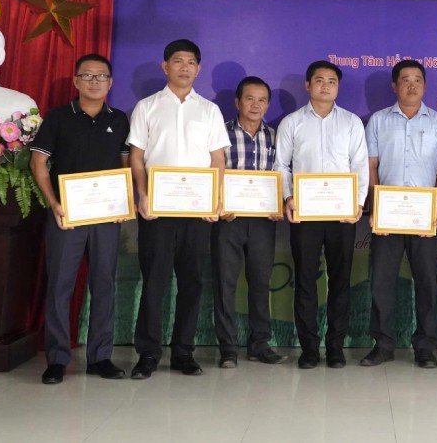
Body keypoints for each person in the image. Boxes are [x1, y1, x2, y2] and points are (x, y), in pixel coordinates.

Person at [128, 39, 230, 379]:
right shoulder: (147, 106)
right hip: (156, 210)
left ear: (198, 69)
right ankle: (148, 353)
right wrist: (142, 194)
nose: (184, 67)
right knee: (154, 280)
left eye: (190, 62)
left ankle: (183, 352)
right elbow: (137, 157)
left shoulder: (209, 110)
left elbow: (218, 159)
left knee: (192, 282)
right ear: (165, 66)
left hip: (197, 212)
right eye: (177, 61)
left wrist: (216, 197)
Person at [29, 53, 130, 385]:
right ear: (75, 81)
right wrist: (54, 203)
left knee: (103, 283)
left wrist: (123, 202)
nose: (94, 82)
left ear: (110, 83)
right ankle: (57, 359)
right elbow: (38, 164)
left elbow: (127, 165)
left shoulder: (121, 119)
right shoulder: (58, 118)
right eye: (87, 76)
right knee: (60, 284)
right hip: (66, 216)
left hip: (106, 217)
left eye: (101, 77)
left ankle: (100, 357)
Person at [274, 60, 368, 369]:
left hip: (342, 215)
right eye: (319, 80)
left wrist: (358, 203)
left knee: (340, 281)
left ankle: (336, 346)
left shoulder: (352, 122)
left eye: (331, 81)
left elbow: (360, 166)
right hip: (305, 214)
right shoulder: (292, 122)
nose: (325, 85)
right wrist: (288, 197)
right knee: (305, 281)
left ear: (338, 87)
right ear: (307, 85)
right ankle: (310, 349)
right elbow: (282, 166)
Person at [361, 60, 437, 369]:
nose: (411, 85)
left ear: (424, 86)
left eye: (417, 80)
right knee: (381, 282)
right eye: (405, 80)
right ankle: (383, 344)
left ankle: (425, 346)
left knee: (427, 282)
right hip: (386, 217)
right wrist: (374, 209)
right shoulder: (378, 121)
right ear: (394, 86)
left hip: (425, 217)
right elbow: (370, 168)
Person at [212, 76, 286, 368]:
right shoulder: (219, 134)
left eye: (262, 100)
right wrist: (220, 202)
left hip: (263, 221)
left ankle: (259, 344)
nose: (256, 105)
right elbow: (211, 172)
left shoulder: (275, 136)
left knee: (260, 282)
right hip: (228, 219)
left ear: (268, 104)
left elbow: (283, 175)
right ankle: (228, 348)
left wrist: (280, 201)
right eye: (249, 99)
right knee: (225, 283)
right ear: (237, 102)